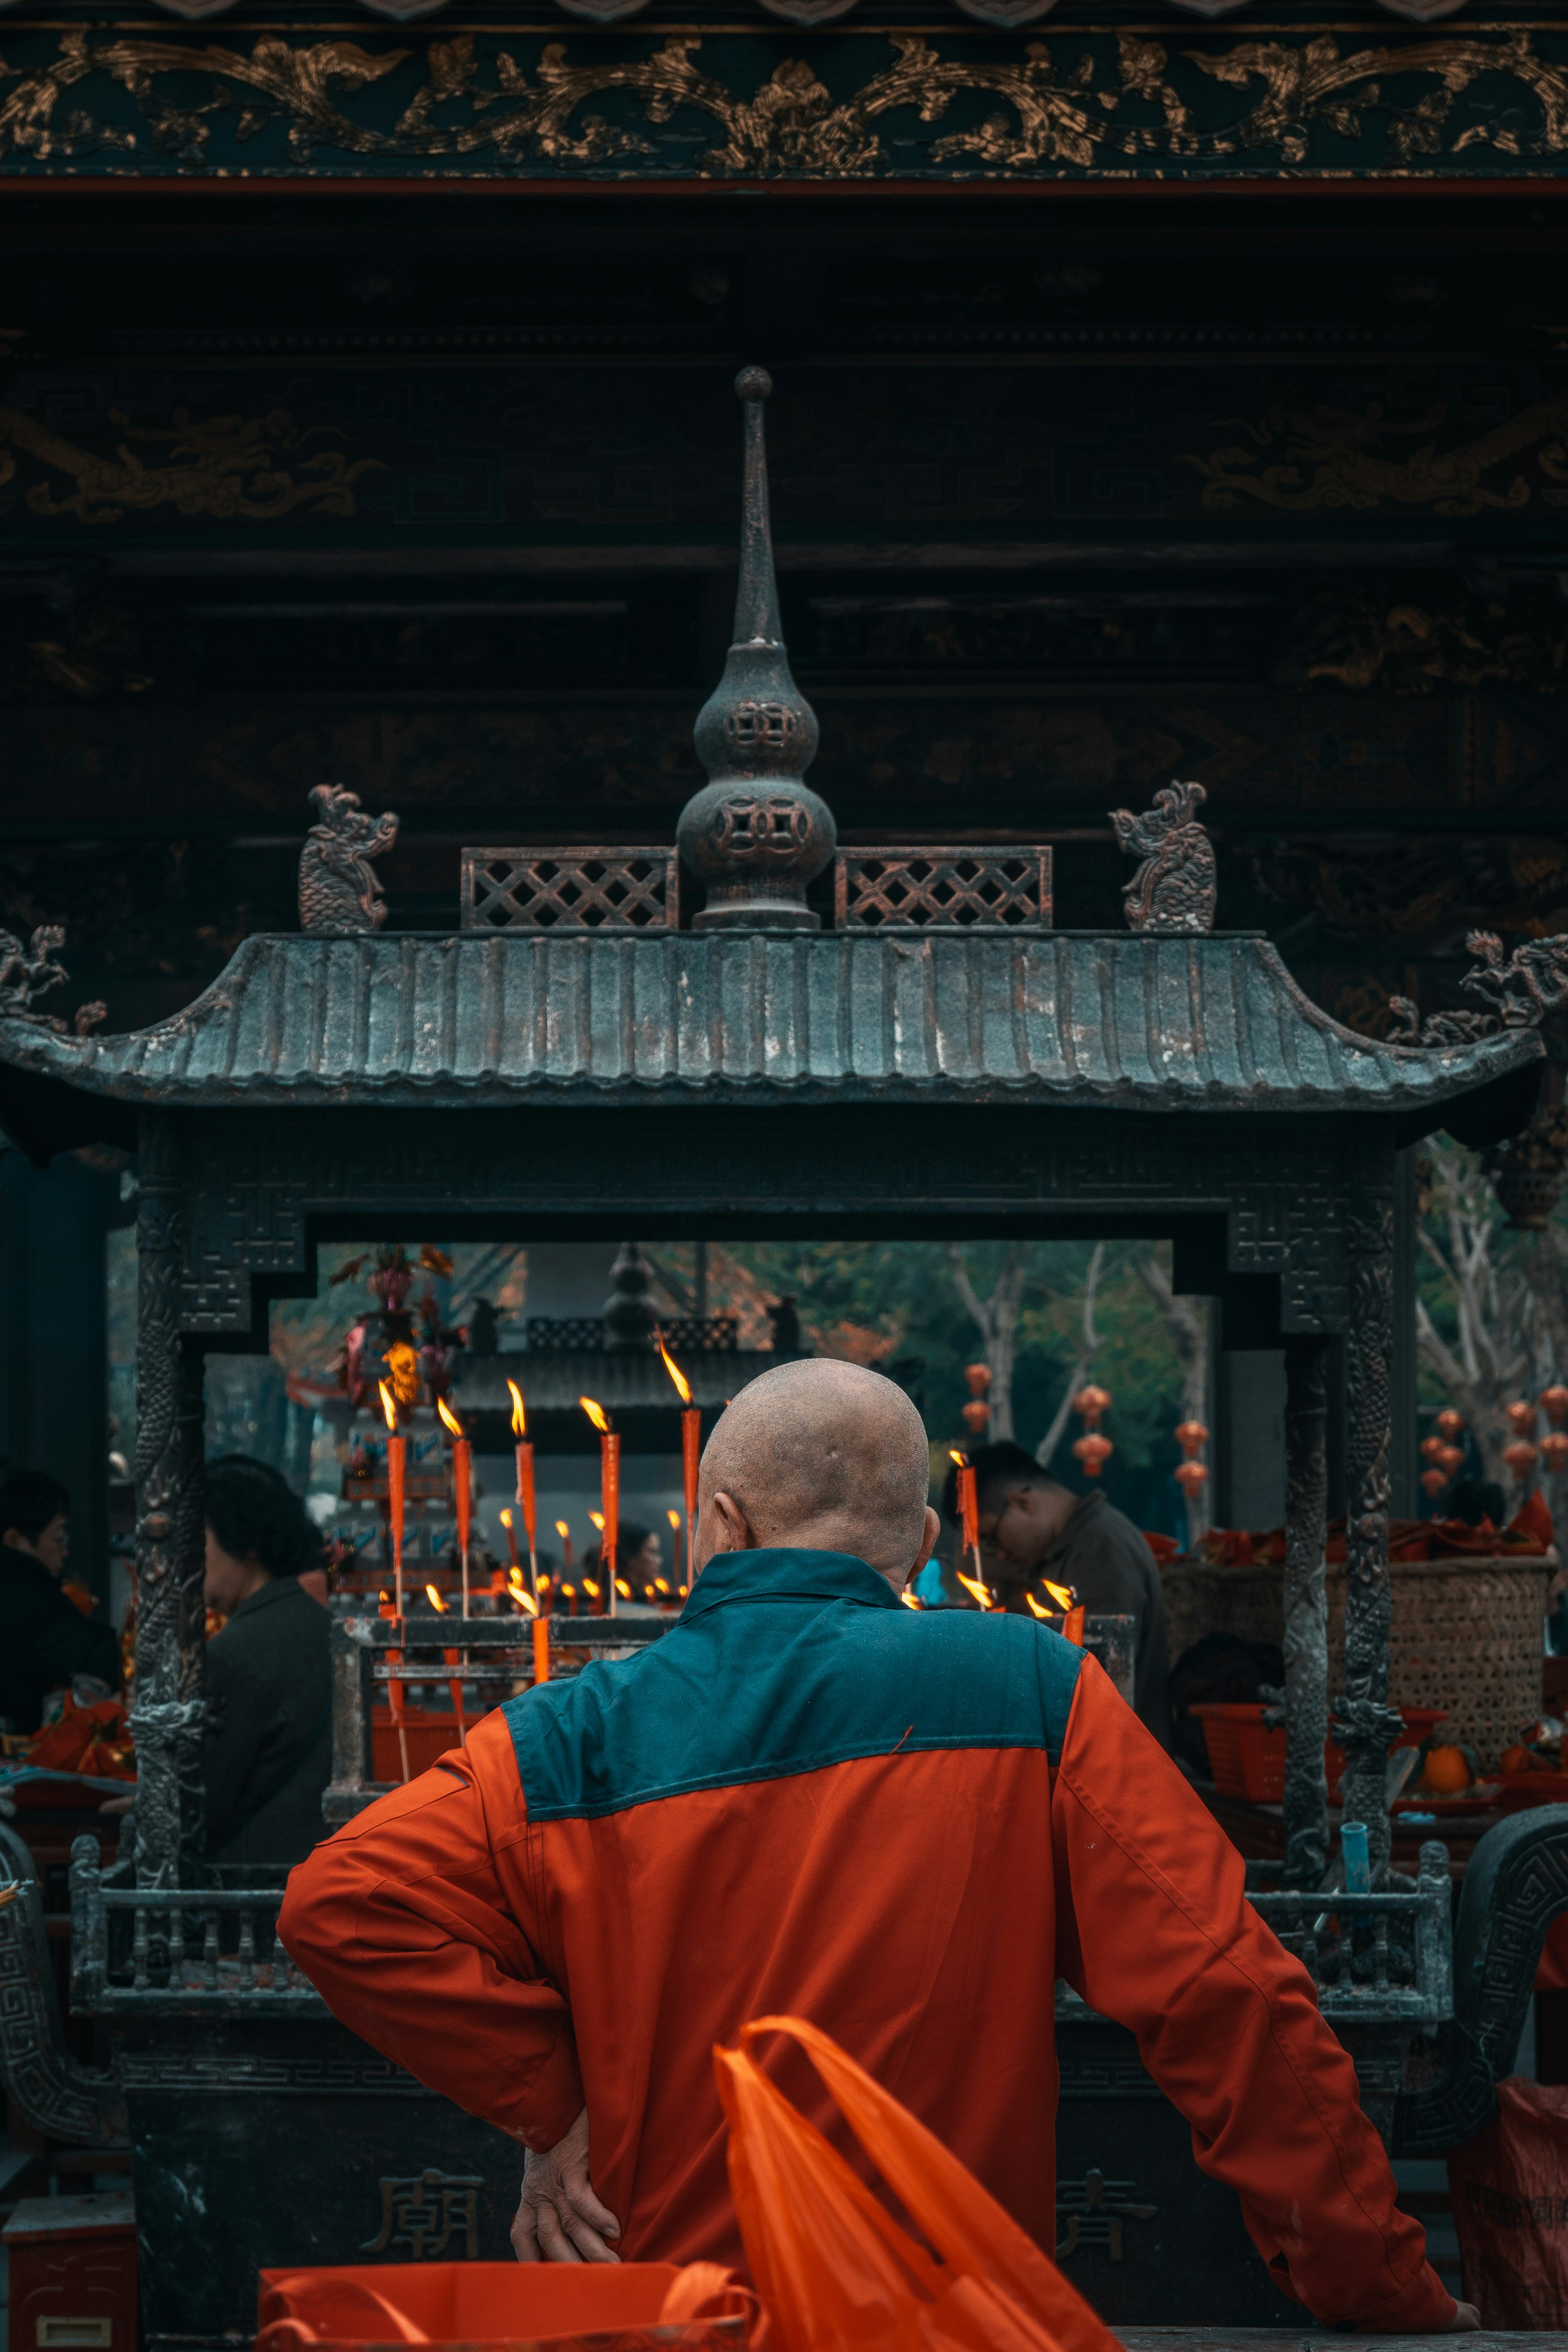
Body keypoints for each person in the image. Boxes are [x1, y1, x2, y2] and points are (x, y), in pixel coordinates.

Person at [279, 1361, 1474, 2331]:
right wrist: (1374, 2283)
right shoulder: (1033, 1692)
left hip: (664, 2310)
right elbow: (1233, 1994)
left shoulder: (560, 1737)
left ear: (720, 1523)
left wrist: (555, 2102)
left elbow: (339, 1904)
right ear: (913, 1542)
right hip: (947, 2319)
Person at [946, 1439, 1172, 1748]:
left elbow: (1102, 1674)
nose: (998, 1553)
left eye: (990, 1538)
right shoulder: (1068, 1548)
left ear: (1022, 1503)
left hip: (1116, 1761)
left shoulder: (1098, 1547)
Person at [200, 1457, 331, 1866]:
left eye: (199, 1543)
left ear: (247, 1544)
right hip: (320, 1867)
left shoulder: (235, 1652)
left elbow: (202, 1807)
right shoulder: (323, 1625)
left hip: (255, 1888)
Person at [0, 1468, 119, 1733]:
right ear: (14, 1540)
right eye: (58, 1538)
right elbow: (106, 1658)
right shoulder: (27, 1602)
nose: (65, 1551)